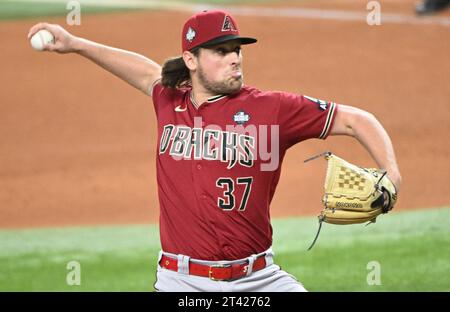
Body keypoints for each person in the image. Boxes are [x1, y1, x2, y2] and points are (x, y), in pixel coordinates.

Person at [28, 10, 401, 292]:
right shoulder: (169, 99)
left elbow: (357, 120)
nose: (235, 58)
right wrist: (75, 44)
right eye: (221, 52)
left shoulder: (273, 109)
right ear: (191, 60)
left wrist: (392, 176)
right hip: (182, 283)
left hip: (259, 280)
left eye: (236, 50)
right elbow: (144, 72)